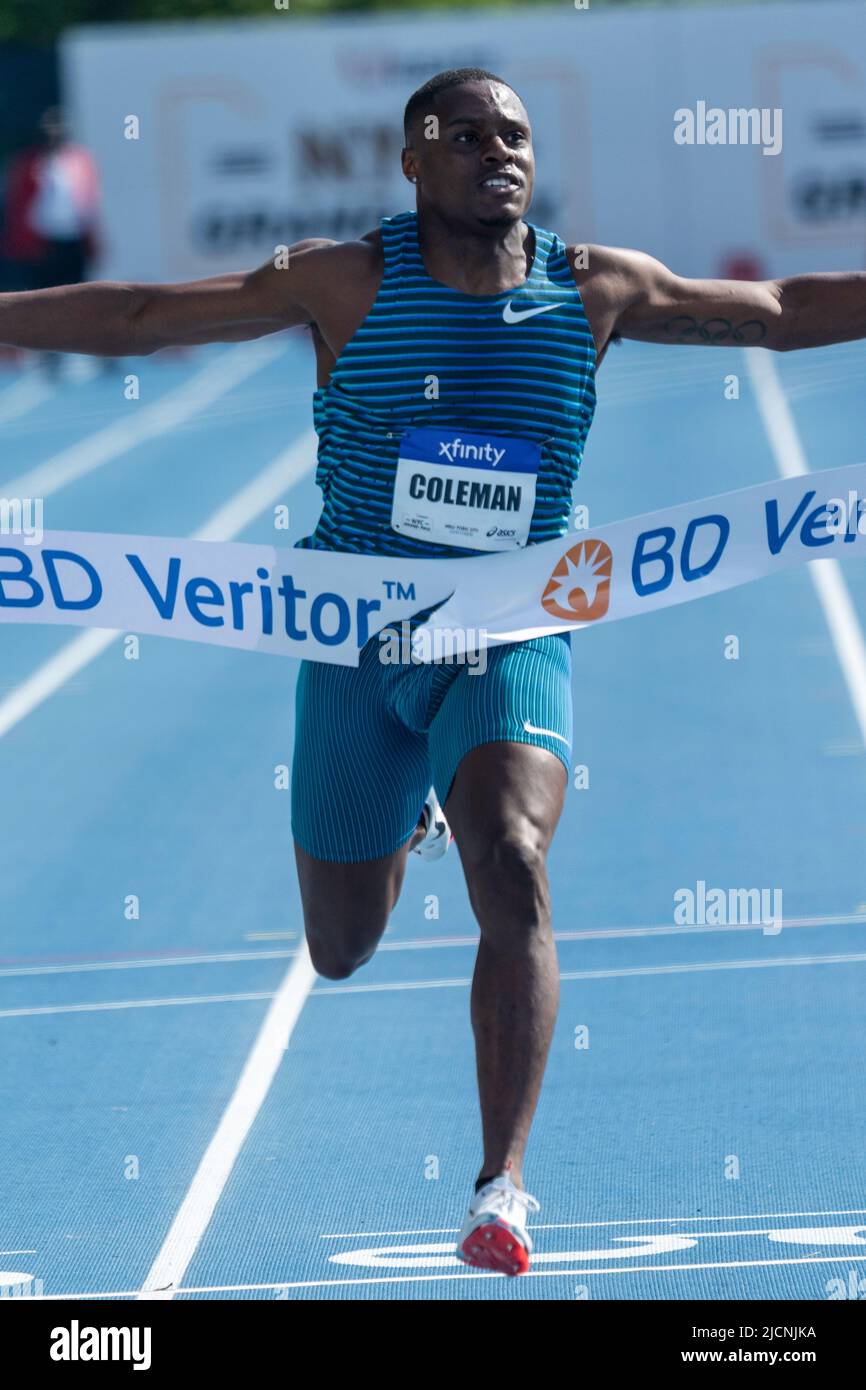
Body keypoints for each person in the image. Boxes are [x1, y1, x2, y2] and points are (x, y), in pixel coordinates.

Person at [2, 67, 866, 1276]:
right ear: (413, 161)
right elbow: (146, 315)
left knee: (510, 862)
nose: (496, 153)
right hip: (356, 639)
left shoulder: (592, 288)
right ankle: (401, 810)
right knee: (340, 948)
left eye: (513, 135)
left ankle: (500, 1186)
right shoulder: (343, 283)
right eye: (465, 137)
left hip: (510, 629)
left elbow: (773, 307)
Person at [2, 106, 101, 372]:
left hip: (73, 240)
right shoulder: (30, 163)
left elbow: (88, 204)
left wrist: (93, 241)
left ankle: (101, 350)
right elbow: (19, 206)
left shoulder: (79, 160)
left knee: (85, 298)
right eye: (50, 131)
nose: (54, 135)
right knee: (45, 302)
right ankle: (50, 355)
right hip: (44, 244)